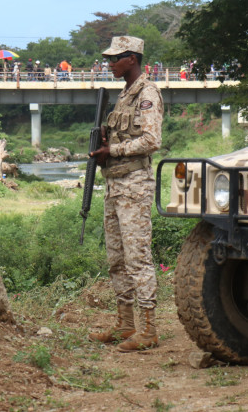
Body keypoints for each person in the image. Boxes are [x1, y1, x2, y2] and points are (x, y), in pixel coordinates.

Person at [87, 36, 164, 352]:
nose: (110, 63)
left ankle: (148, 329)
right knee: (117, 259)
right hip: (116, 185)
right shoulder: (122, 97)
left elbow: (151, 140)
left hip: (134, 186)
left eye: (115, 58)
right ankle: (125, 323)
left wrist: (113, 149)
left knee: (137, 258)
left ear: (132, 59)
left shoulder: (147, 94)